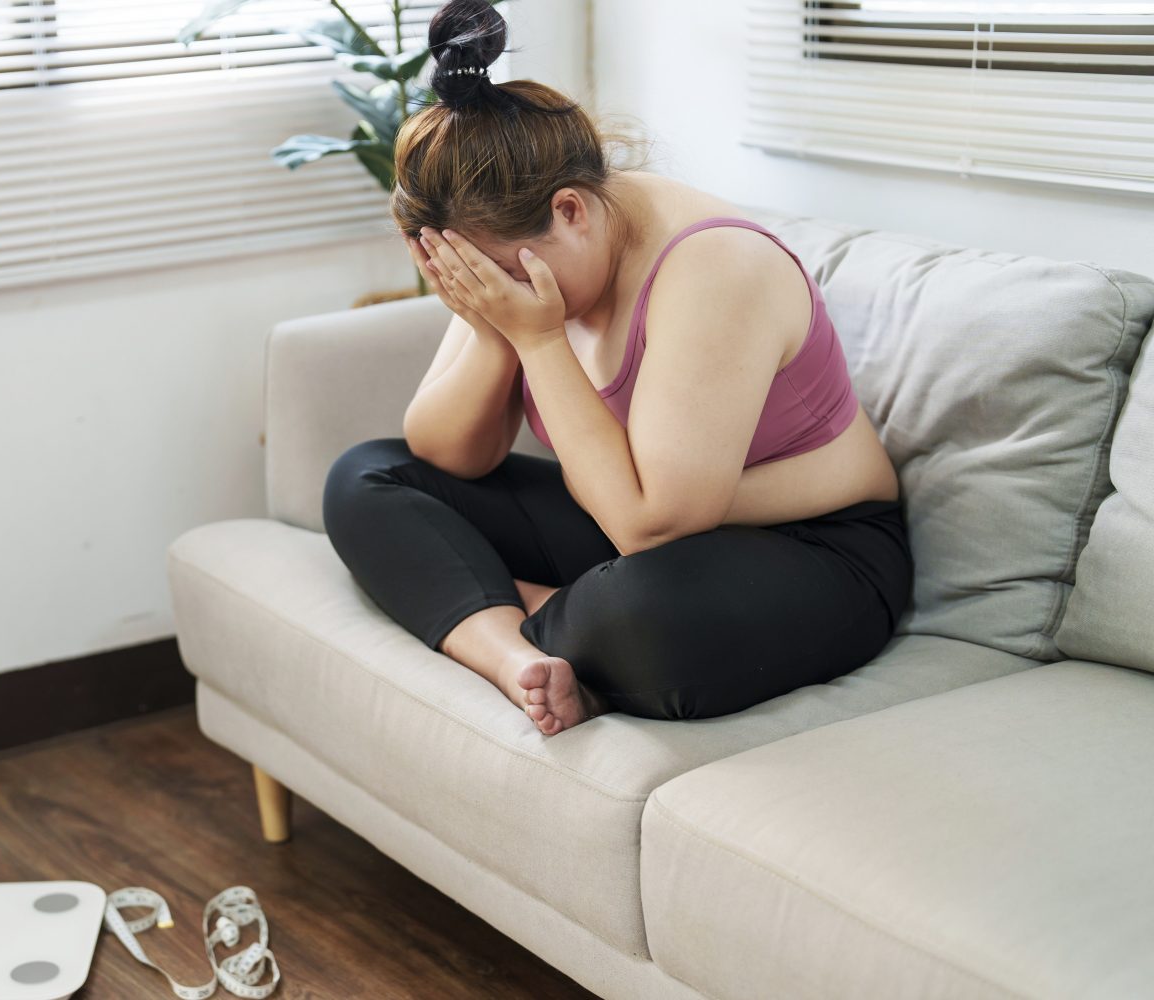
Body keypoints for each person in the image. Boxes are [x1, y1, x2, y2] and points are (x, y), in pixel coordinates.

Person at [321, 0, 913, 734]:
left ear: (570, 210)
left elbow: (647, 523)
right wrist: (492, 327)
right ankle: (512, 654)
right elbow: (449, 455)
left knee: (642, 616)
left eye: (503, 273)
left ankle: (505, 603)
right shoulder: (519, 250)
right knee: (369, 477)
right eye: (472, 275)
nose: (498, 290)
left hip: (815, 552)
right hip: (631, 521)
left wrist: (540, 343)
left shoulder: (714, 267)